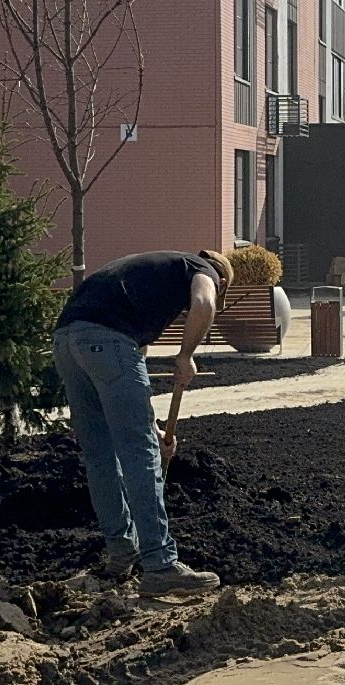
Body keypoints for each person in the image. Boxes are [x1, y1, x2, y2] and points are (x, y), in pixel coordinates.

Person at [53, 249, 232, 596]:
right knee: (139, 454)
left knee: (100, 455)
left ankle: (121, 553)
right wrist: (186, 356)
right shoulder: (203, 269)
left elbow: (127, 375)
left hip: (67, 341)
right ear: (220, 280)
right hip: (105, 340)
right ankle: (160, 564)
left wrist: (155, 430)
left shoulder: (149, 277)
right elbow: (204, 305)